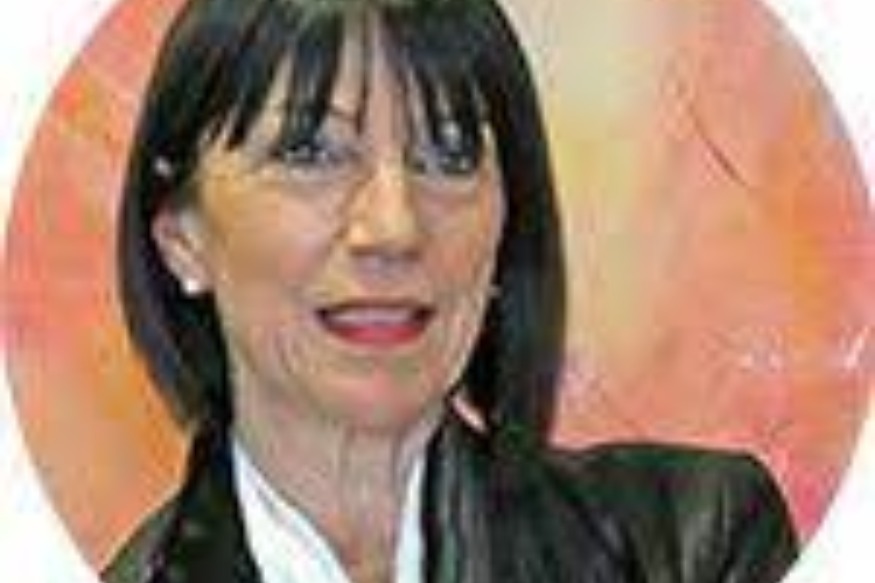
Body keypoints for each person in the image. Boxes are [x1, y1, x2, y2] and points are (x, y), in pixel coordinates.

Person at [106, 0, 798, 581]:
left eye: (450, 155)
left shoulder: (692, 546)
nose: (394, 227)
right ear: (182, 238)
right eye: (310, 153)